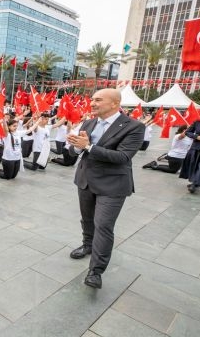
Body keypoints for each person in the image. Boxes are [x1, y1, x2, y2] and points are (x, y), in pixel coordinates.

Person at [66, 88, 145, 289]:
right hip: (85, 180)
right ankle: (87, 245)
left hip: (112, 185)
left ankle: (96, 271)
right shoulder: (89, 122)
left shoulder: (134, 127)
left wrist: (88, 147)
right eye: (92, 99)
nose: (92, 103)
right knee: (87, 219)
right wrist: (76, 146)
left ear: (114, 103)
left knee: (103, 225)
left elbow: (123, 157)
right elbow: (78, 150)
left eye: (98, 100)